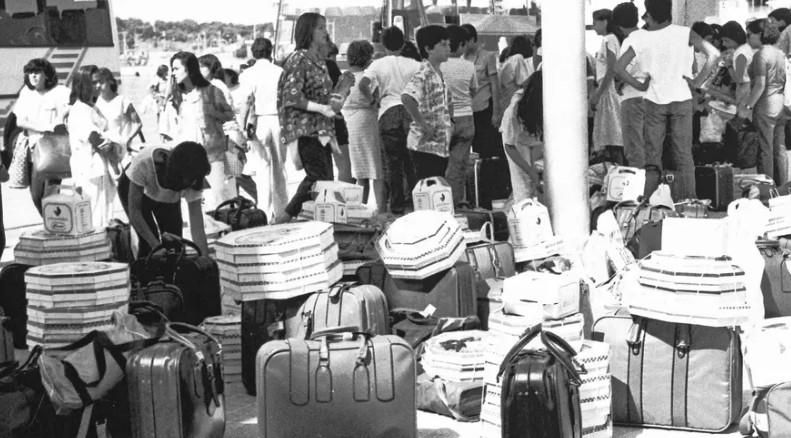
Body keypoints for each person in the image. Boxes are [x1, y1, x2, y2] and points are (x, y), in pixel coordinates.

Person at [614, 0, 719, 199]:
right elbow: (714, 54)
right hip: (682, 100)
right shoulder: (685, 33)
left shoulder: (639, 37)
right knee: (683, 155)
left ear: (649, 14)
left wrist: (639, 85)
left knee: (653, 157)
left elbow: (619, 69)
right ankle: (689, 202)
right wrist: (696, 82)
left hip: (654, 100)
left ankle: (651, 202)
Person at [275, 12, 339, 224]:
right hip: (305, 130)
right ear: (308, 31)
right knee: (318, 178)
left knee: (326, 181)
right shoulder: (298, 59)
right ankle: (285, 216)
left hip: (321, 130)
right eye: (320, 27)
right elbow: (292, 96)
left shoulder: (318, 60)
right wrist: (321, 108)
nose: (325, 31)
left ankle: (320, 222)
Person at [359, 26, 420, 214]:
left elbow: (362, 83)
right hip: (410, 112)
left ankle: (396, 206)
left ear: (383, 44)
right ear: (403, 43)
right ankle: (417, 202)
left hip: (388, 112)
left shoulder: (378, 64)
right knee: (412, 162)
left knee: (393, 163)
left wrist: (372, 99)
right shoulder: (414, 64)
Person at [118, 141, 211, 258]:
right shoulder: (143, 163)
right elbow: (135, 212)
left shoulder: (194, 176)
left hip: (167, 195)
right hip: (134, 189)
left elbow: (197, 225)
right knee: (148, 244)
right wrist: (155, 246)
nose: (192, 184)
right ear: (177, 176)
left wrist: (204, 258)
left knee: (174, 244)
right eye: (189, 181)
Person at [169, 51, 236, 211]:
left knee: (218, 196)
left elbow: (229, 115)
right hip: (187, 157)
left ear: (189, 69)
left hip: (212, 154)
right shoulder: (178, 95)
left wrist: (214, 113)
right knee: (193, 202)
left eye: (176, 68)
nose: (173, 73)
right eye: (172, 69)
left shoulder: (212, 91)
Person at [12, 58, 70, 215]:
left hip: (53, 151)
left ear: (47, 75)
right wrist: (47, 127)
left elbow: (66, 116)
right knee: (36, 195)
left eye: (37, 72)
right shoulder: (26, 93)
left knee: (50, 195)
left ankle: (55, 228)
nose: (33, 76)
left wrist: (57, 124)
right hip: (33, 150)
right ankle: (52, 223)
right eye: (30, 73)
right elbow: (20, 120)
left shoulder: (60, 92)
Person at [66, 65, 121, 229]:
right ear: (83, 84)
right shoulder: (80, 110)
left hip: (99, 169)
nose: (99, 86)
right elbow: (96, 140)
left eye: (100, 82)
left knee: (104, 214)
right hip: (89, 170)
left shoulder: (92, 107)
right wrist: (114, 148)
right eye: (94, 82)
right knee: (94, 217)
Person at [239, 37, 287, 218]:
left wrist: (243, 128)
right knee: (279, 168)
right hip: (279, 120)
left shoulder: (247, 74)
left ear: (253, 53)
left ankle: (264, 212)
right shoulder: (280, 71)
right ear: (270, 51)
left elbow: (246, 102)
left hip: (259, 121)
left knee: (262, 169)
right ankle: (282, 211)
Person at [402, 25, 453, 180]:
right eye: (443, 45)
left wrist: (451, 121)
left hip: (439, 144)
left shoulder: (440, 73)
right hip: (424, 146)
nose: (448, 48)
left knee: (437, 188)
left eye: (448, 44)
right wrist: (424, 126)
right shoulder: (424, 73)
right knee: (428, 190)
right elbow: (407, 97)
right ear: (429, 49)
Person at [740, 19, 787, 186]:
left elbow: (760, 84)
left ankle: (767, 188)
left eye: (749, 35)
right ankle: (783, 188)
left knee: (765, 148)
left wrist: (747, 106)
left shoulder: (761, 54)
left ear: (760, 34)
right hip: (781, 102)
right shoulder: (779, 53)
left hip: (765, 103)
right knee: (779, 148)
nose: (747, 39)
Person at [341, 40, 385, 211]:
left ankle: (360, 208)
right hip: (367, 122)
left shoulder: (343, 78)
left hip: (348, 122)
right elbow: (377, 99)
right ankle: (380, 208)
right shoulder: (369, 78)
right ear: (367, 58)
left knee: (359, 170)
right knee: (375, 168)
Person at [441, 25, 478, 206]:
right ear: (462, 45)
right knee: (459, 165)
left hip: (444, 118)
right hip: (465, 118)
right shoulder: (469, 66)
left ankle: (440, 201)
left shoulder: (439, 66)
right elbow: (474, 90)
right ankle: (456, 203)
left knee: (442, 164)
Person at [613, 2, 648, 168]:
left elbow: (620, 70)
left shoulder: (630, 41)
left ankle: (639, 190)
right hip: (652, 99)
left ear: (618, 25)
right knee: (651, 147)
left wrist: (626, 82)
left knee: (634, 148)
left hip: (633, 98)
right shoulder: (650, 37)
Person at [501, 70, 544, 201]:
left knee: (542, 186)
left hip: (536, 142)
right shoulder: (514, 110)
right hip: (516, 144)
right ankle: (524, 215)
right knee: (523, 186)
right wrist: (530, 171)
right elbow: (509, 145)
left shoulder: (551, 104)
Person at [463, 23, 503, 160]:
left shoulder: (487, 56)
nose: (463, 46)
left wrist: (496, 112)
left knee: (487, 147)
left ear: (473, 40)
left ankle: (488, 177)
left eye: (466, 42)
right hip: (467, 111)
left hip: (484, 108)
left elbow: (494, 85)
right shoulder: (460, 58)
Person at [591, 9, 624, 164]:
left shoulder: (609, 39)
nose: (593, 26)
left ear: (604, 22)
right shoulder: (611, 39)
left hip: (608, 91)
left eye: (595, 22)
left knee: (613, 139)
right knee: (612, 138)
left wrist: (598, 93)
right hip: (608, 90)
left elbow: (611, 69)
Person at [94, 67, 142, 159]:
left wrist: (128, 139)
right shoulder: (96, 103)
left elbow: (138, 123)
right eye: (96, 82)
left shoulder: (122, 101)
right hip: (103, 151)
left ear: (110, 82)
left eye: (101, 82)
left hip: (122, 150)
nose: (98, 85)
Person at [324, 41, 354, 184]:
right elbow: (339, 96)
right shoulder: (330, 66)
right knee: (344, 166)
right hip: (335, 123)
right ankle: (343, 200)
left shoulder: (307, 66)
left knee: (324, 167)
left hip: (317, 125)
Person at [497, 35, 533, 123]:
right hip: (513, 102)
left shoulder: (509, 59)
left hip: (505, 100)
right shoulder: (518, 58)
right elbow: (523, 81)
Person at [720, 21, 754, 105]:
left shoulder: (740, 53)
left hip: (746, 92)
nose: (724, 44)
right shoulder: (746, 48)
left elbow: (739, 80)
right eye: (722, 41)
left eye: (726, 41)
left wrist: (729, 65)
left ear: (736, 38)